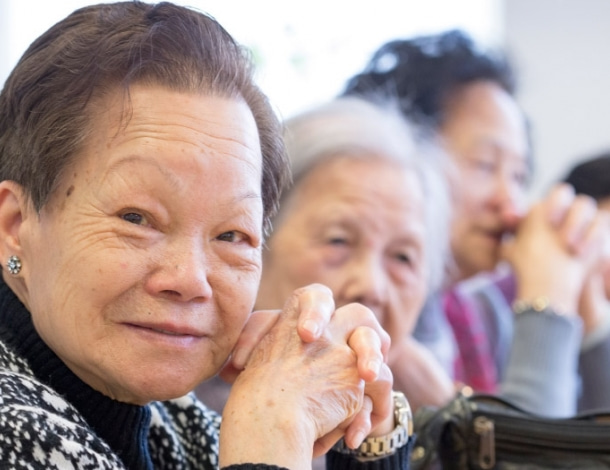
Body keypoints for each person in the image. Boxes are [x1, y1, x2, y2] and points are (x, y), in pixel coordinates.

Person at [0, 2, 413, 469]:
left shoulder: (170, 419)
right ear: (15, 225)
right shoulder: (14, 426)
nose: (190, 279)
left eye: (232, 235)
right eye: (136, 218)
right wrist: (270, 435)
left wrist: (365, 426)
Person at [341, 29, 610, 416]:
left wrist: (588, 307)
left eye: (518, 176)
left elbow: (582, 449)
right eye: (487, 165)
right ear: (399, 152)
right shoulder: (372, 312)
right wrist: (547, 301)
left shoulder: (482, 313)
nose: (510, 201)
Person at [197, 96, 455, 416]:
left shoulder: (416, 403)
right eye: (338, 241)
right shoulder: (186, 409)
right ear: (254, 240)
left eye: (402, 257)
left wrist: (444, 424)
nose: (371, 286)